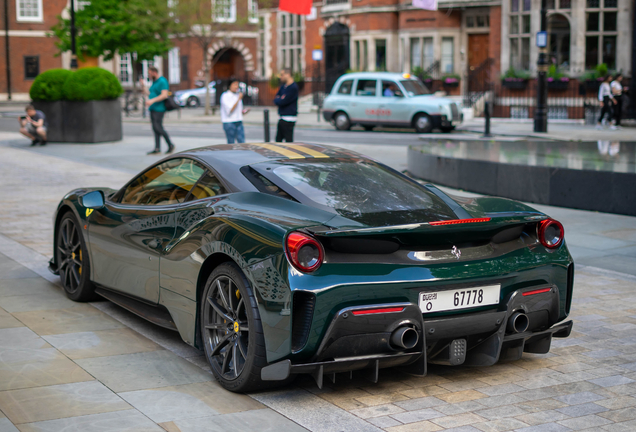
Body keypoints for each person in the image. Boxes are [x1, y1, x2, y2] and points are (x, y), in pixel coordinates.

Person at [145, 66, 175, 155]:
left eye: (150, 73)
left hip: (159, 108)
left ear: (154, 72)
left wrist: (152, 101)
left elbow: (164, 95)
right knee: (155, 128)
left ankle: (170, 144)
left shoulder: (162, 81)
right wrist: (142, 85)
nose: (149, 76)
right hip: (153, 108)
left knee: (158, 127)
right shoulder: (154, 82)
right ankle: (157, 148)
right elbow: (150, 93)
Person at [274, 68, 299, 142]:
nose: (280, 77)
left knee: (288, 142)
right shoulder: (283, 86)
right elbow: (276, 98)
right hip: (282, 117)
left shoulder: (293, 87)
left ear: (287, 75)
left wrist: (280, 99)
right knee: (278, 141)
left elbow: (283, 101)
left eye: (282, 75)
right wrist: (280, 99)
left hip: (289, 118)